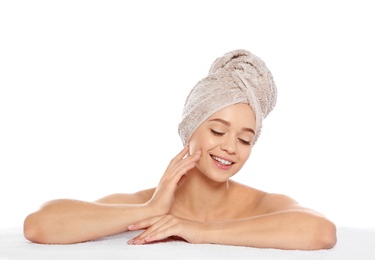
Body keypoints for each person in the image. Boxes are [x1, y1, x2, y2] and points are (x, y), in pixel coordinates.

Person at [23, 49, 337, 250]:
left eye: (245, 139)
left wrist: (200, 231)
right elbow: (39, 225)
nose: (230, 147)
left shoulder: (262, 204)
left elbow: (321, 232)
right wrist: (149, 210)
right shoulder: (144, 203)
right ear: (190, 128)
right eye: (217, 130)